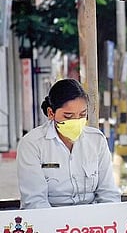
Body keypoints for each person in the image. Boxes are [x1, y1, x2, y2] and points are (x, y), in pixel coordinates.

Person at [16, 79, 121, 209]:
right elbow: (35, 201)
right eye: (68, 116)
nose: (76, 121)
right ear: (51, 113)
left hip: (92, 222)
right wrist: (64, 227)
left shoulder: (96, 140)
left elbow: (108, 193)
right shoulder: (32, 144)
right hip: (50, 221)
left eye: (82, 114)